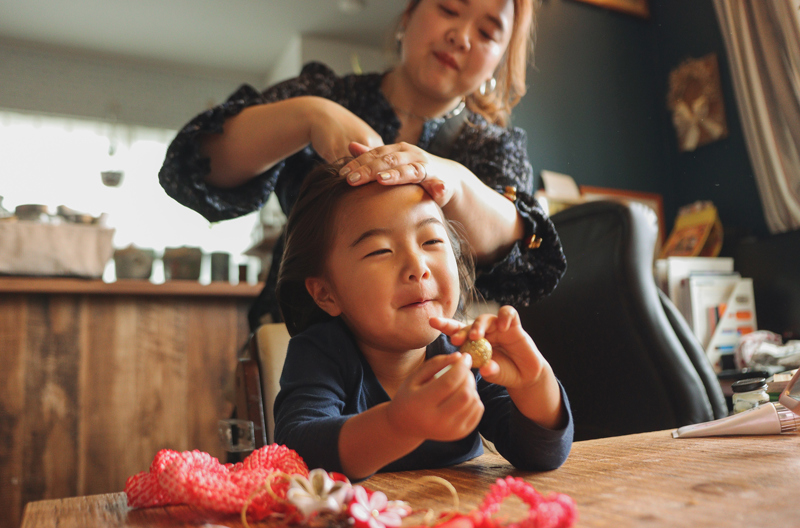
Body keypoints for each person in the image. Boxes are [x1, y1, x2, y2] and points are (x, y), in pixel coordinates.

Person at [158, 0, 567, 331]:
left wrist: (452, 180)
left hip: (424, 367)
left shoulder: (494, 146)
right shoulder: (327, 92)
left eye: (487, 32)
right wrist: (310, 116)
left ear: (499, 59)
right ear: (409, 14)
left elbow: (523, 251)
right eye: (448, 9)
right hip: (296, 347)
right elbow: (194, 170)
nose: (460, 37)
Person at [274, 162, 573, 480]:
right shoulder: (320, 353)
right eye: (380, 251)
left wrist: (533, 382)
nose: (417, 266)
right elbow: (296, 451)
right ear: (326, 293)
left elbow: (540, 454)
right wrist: (396, 426)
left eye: (431, 241)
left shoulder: (464, 353)